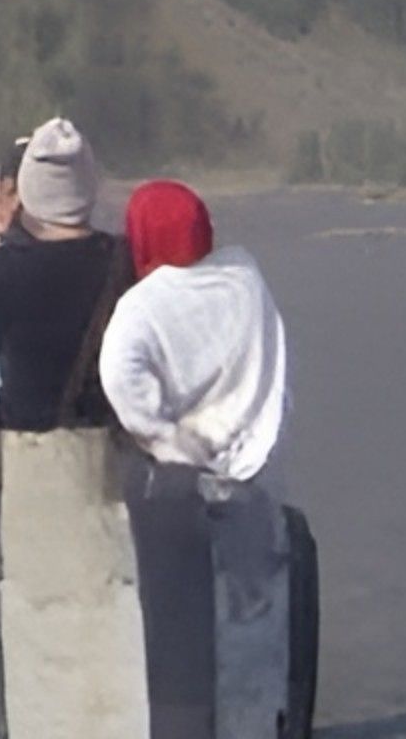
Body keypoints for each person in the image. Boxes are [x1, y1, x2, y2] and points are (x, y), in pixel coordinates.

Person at [100, 180, 296, 737]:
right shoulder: (244, 276)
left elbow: (119, 374)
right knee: (253, 609)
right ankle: (253, 725)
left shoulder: (143, 306)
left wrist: (161, 433)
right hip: (252, 463)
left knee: (176, 618)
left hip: (175, 477)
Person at [0, 118, 143, 738]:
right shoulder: (121, 261)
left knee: (39, 604)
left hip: (30, 449)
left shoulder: (8, 268)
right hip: (103, 446)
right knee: (105, 596)